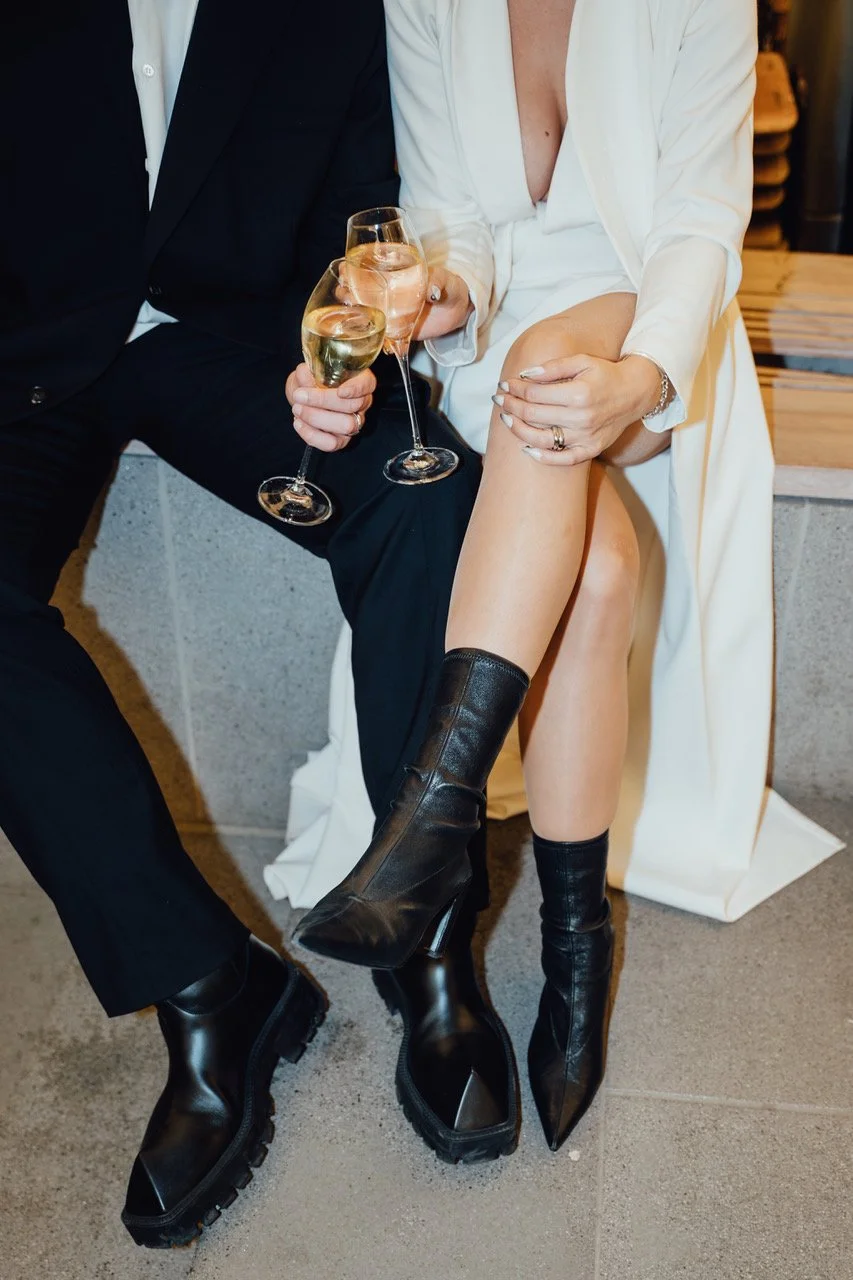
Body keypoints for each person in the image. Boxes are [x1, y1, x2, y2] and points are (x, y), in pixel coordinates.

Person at [0, 0, 516, 1247]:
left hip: (236, 345)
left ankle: (427, 938)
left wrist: (344, 345)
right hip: (29, 347)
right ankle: (210, 988)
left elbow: (366, 206)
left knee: (426, 501)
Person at [294, 0, 842, 1153]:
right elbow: (453, 223)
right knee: (593, 578)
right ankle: (574, 959)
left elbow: (696, 222)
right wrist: (447, 292)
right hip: (496, 348)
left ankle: (431, 815)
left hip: (652, 329)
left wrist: (640, 376)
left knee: (547, 375)